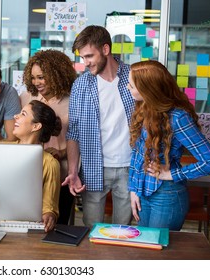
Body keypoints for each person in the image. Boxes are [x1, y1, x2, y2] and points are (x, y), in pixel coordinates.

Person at [127, 60, 210, 230]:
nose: (128, 88)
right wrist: (134, 189)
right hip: (143, 193)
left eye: (132, 85)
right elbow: (137, 155)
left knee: (159, 253)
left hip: (167, 195)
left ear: (148, 88)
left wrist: (173, 174)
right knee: (145, 249)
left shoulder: (178, 117)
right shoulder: (143, 108)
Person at [62, 25, 135, 228]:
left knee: (124, 231)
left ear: (105, 49)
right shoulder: (81, 85)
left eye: (89, 56)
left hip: (130, 167)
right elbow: (73, 132)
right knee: (91, 231)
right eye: (82, 58)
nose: (85, 63)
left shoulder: (134, 77)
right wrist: (74, 171)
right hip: (94, 167)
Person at [20, 49, 77, 225]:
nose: (36, 82)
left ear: (57, 75)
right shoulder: (26, 97)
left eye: (42, 77)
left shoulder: (73, 101)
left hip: (62, 174)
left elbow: (81, 139)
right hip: (31, 172)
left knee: (57, 224)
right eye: (33, 77)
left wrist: (61, 152)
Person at [0, 100, 61, 232]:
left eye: (23, 114)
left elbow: (49, 207)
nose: (16, 116)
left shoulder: (50, 163)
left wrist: (49, 216)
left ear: (36, 126)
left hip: (27, 229)